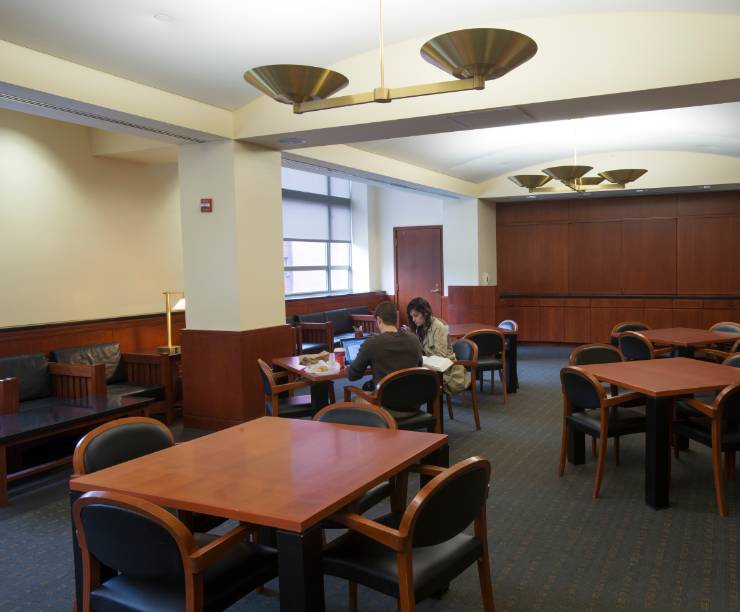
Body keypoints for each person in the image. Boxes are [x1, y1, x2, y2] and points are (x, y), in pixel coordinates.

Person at [347, 300, 422, 388]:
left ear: (379, 320)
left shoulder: (372, 343)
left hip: (384, 399)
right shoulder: (414, 339)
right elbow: (419, 366)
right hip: (413, 398)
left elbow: (353, 376)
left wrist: (347, 368)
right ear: (395, 319)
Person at [406, 296, 469, 394]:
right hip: (429, 367)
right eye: (412, 316)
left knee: (414, 382)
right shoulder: (420, 328)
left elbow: (440, 357)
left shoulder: (438, 327)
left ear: (425, 313)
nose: (413, 319)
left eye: (416, 315)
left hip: (447, 371)